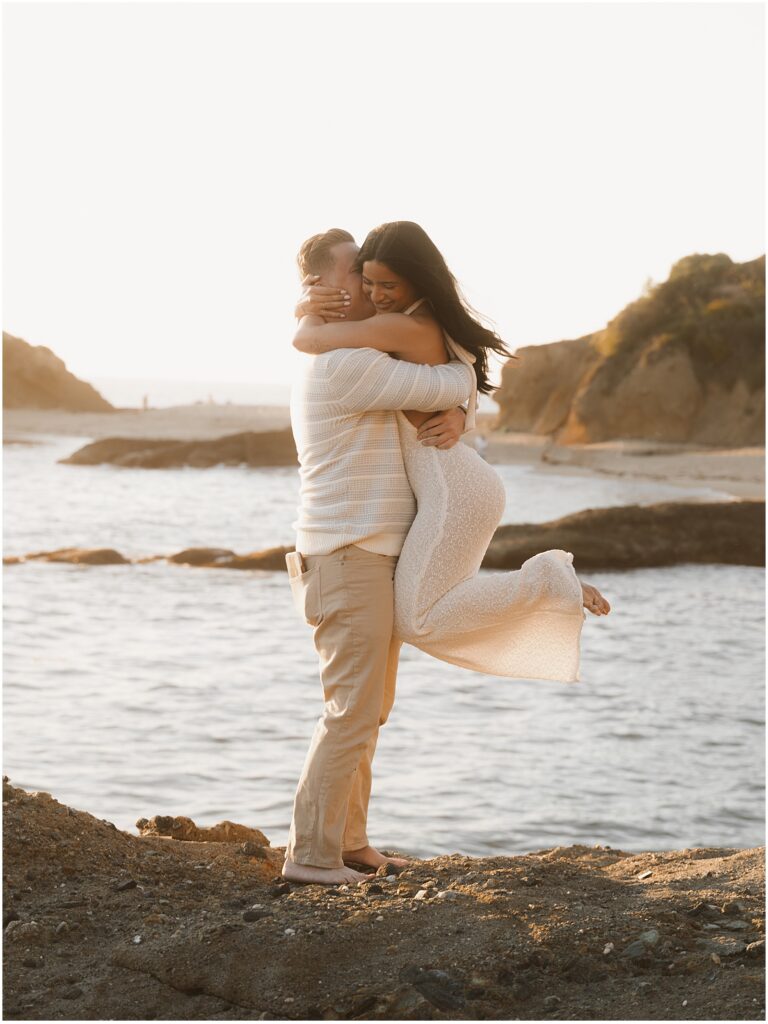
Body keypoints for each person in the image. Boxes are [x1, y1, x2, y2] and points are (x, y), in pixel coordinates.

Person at [292, 220, 610, 684]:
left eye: (384, 283)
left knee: (416, 619)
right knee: (421, 614)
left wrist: (305, 309)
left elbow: (308, 341)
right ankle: (550, 586)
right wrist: (464, 411)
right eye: (365, 279)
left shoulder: (396, 327)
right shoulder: (397, 325)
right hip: (456, 483)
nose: (373, 292)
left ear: (414, 280)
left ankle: (550, 581)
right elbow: (457, 375)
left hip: (453, 489)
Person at [283, 228, 473, 886]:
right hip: (348, 558)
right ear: (325, 289)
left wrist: (461, 413)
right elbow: (451, 376)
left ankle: (350, 842)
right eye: (354, 275)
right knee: (352, 710)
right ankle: (310, 857)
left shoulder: (356, 352)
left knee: (370, 709)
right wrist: (461, 398)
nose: (367, 286)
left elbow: (444, 391)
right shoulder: (347, 365)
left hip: (364, 557)